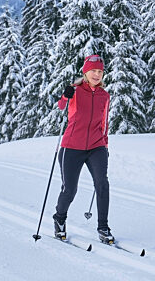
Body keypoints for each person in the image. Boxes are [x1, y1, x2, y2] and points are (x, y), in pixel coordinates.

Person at [52, 54, 114, 244]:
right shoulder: (75, 91)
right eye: (93, 71)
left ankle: (103, 227)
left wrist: (104, 142)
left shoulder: (105, 95)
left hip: (96, 146)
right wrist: (65, 95)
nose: (96, 75)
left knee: (102, 184)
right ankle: (59, 218)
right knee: (70, 190)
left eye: (100, 71)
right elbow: (61, 106)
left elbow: (104, 121)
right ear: (85, 72)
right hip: (71, 147)